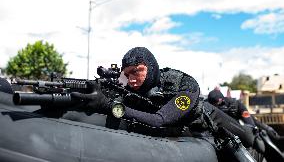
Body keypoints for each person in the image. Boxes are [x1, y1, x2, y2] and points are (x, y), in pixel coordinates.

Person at [71, 47, 272, 160]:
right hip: (183, 133)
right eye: (127, 73)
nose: (131, 79)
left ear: (150, 68)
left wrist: (108, 106)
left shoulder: (184, 84)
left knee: (252, 139)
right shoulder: (130, 87)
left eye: (137, 71)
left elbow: (160, 120)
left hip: (209, 121)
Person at [207, 89, 284, 159]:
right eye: (214, 104)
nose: (217, 106)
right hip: (216, 135)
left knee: (260, 139)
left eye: (218, 103)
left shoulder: (234, 104)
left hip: (236, 131)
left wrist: (253, 130)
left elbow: (249, 120)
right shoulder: (207, 107)